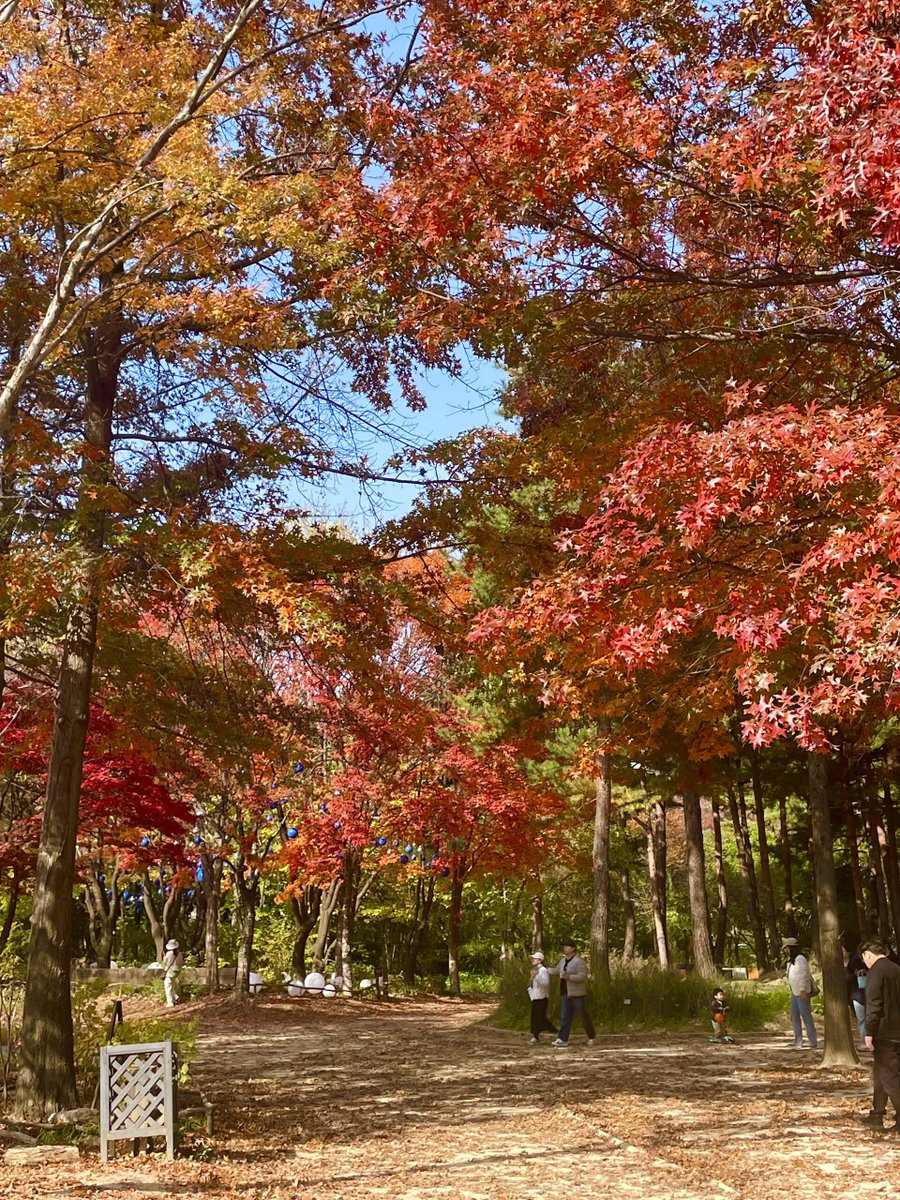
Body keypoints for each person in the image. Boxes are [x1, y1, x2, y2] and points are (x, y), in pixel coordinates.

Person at [860, 936, 900, 1133]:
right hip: (897, 1031)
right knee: (881, 1073)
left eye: (864, 959)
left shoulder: (876, 972)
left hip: (885, 1032)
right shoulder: (896, 968)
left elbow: (874, 1004)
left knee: (890, 1077)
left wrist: (869, 1032)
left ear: (868, 955)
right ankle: (877, 1114)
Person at [549, 941, 595, 1047]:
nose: (565, 948)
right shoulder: (562, 961)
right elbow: (556, 971)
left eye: (567, 946)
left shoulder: (578, 961)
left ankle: (591, 1036)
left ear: (573, 949)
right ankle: (563, 1038)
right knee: (565, 1016)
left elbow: (583, 977)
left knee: (583, 1016)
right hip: (565, 992)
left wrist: (570, 977)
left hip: (577, 994)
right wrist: (545, 969)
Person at [784, 937, 818, 1049]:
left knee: (806, 1015)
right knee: (794, 1016)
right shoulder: (790, 960)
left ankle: (813, 1041)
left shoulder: (800, 959)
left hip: (802, 991)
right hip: (794, 991)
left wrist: (803, 989)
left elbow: (804, 975)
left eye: (787, 948)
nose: (786, 950)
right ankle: (798, 1040)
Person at [527, 951, 557, 1045]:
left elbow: (545, 983)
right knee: (535, 1017)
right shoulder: (535, 970)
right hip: (535, 997)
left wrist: (536, 977)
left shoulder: (543, 970)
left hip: (542, 997)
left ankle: (555, 1031)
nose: (532, 960)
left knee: (540, 1018)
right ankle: (535, 1036)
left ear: (539, 960)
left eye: (534, 959)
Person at [844, 944, 868, 1052]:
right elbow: (847, 980)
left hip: (863, 994)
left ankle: (866, 1042)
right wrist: (855, 976)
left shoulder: (855, 962)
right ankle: (864, 1041)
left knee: (864, 1019)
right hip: (855, 995)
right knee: (861, 1019)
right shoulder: (848, 965)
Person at [162, 938, 183, 1007]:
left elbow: (165, 963)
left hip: (170, 972)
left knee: (168, 986)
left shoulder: (169, 953)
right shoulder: (180, 953)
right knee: (171, 985)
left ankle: (170, 1002)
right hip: (177, 971)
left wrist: (164, 956)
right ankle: (175, 998)